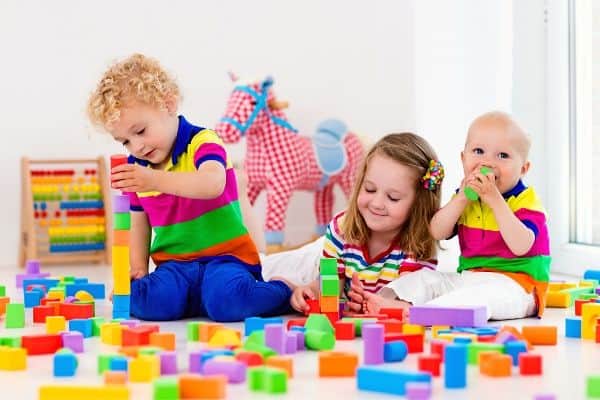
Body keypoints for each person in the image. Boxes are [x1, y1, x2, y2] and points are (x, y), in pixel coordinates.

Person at [86, 53, 294, 322]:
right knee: (146, 301)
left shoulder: (202, 142)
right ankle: (192, 299)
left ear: (168, 104)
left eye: (140, 131)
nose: (136, 146)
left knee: (226, 303)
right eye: (124, 141)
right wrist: (137, 268)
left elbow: (212, 183)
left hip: (226, 259)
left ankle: (284, 290)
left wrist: (152, 180)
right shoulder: (138, 167)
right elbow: (138, 223)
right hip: (175, 266)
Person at [356, 111, 550, 320]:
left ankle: (417, 314)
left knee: (477, 297)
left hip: (518, 287)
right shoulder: (465, 197)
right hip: (469, 277)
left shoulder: (526, 200)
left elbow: (521, 246)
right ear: (463, 158)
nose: (487, 163)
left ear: (523, 169)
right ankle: (385, 302)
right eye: (478, 151)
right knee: (424, 278)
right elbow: (437, 231)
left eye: (502, 156)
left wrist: (495, 200)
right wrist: (462, 199)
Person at [288, 133, 444, 314]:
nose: (376, 204)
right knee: (277, 272)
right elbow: (329, 289)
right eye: (369, 189)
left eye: (393, 198)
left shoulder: (418, 244)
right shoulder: (341, 228)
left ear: (418, 204)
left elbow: (407, 306)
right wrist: (310, 293)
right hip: (311, 257)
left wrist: (368, 305)